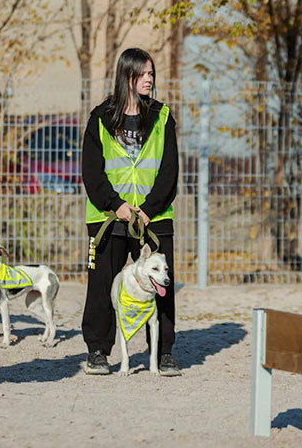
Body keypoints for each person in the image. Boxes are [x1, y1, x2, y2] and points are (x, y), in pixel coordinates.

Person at [80, 48, 181, 376]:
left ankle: (164, 352)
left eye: (152, 73)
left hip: (155, 216)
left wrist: (149, 209)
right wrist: (117, 205)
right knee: (102, 284)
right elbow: (92, 172)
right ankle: (97, 349)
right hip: (108, 216)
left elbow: (169, 170)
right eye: (144, 74)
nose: (150, 79)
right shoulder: (99, 118)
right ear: (128, 76)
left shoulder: (163, 117)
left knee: (162, 281)